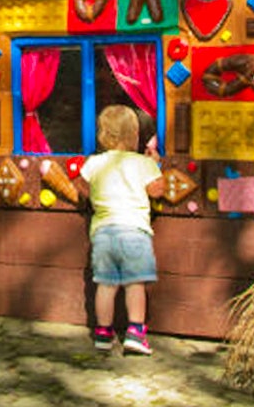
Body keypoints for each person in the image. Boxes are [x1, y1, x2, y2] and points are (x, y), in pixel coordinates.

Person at [80, 104, 164, 354]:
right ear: (134, 135)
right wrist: (156, 165)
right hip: (134, 231)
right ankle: (135, 333)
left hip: (103, 232)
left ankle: (103, 333)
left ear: (103, 135)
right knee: (135, 283)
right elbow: (157, 190)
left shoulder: (95, 162)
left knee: (105, 285)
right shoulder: (142, 163)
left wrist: (97, 196)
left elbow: (82, 187)